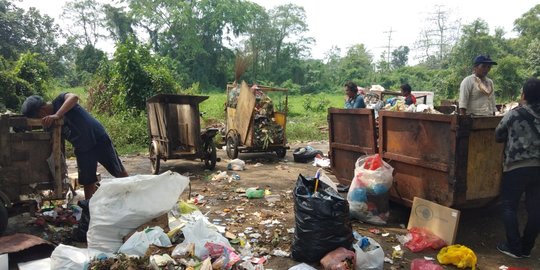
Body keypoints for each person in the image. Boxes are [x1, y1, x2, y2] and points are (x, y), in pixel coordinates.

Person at [21, 93, 128, 200]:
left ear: (42, 111)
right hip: (82, 148)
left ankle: (133, 194)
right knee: (87, 180)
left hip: (98, 138)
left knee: (118, 171)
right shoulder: (50, 123)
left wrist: (57, 115)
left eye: (39, 117)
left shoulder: (59, 101)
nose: (42, 120)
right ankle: (88, 207)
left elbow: (74, 97)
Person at [494, 78, 540, 259]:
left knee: (508, 206)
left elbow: (498, 134)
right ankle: (526, 247)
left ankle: (514, 247)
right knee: (536, 209)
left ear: (524, 95)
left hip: (517, 167)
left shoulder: (514, 114)